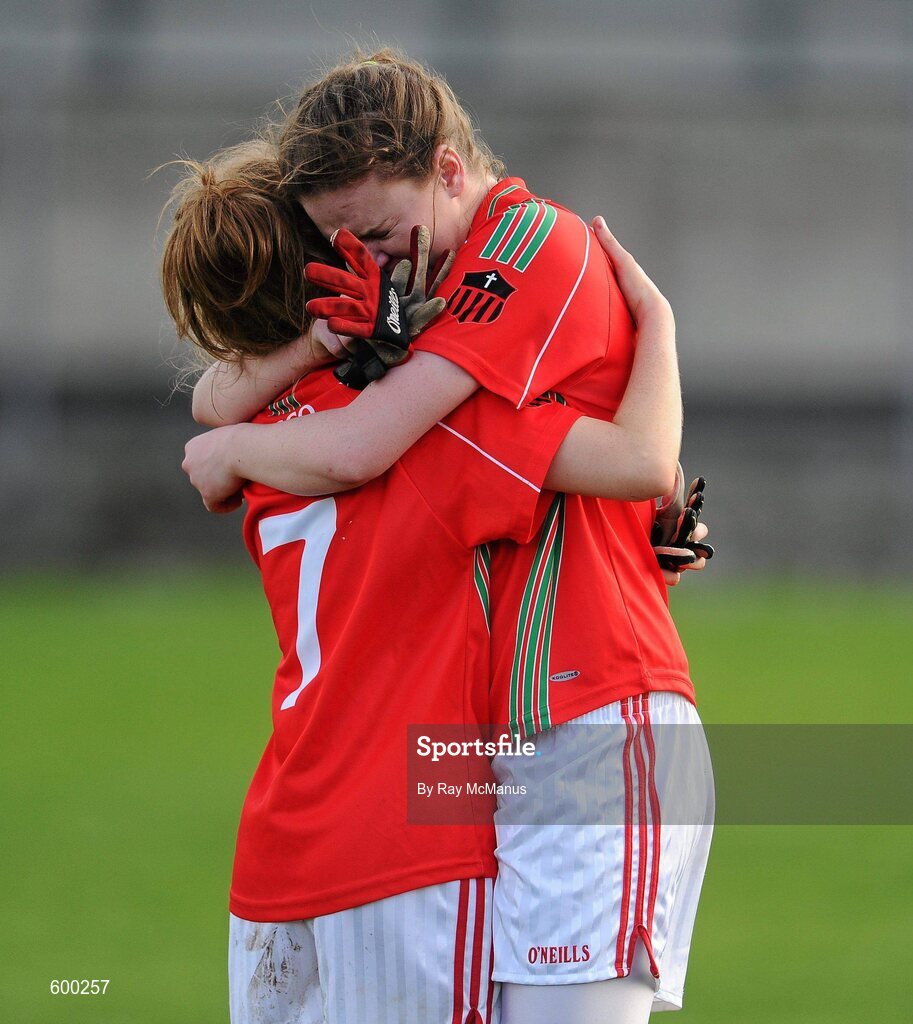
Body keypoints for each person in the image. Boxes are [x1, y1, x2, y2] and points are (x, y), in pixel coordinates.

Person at [163, 138, 700, 1023]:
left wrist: (278, 381)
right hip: (411, 843)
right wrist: (659, 331)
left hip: (276, 851)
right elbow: (644, 464)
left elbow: (214, 402)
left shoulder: (259, 444)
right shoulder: (428, 435)